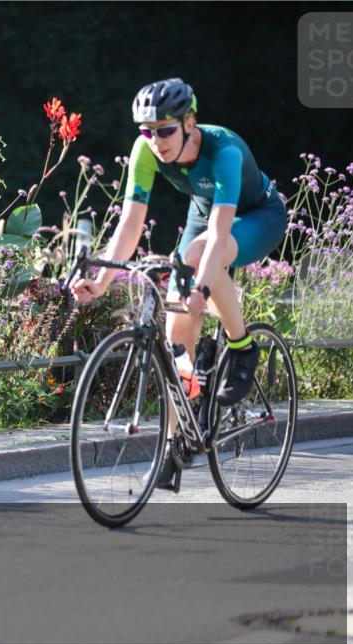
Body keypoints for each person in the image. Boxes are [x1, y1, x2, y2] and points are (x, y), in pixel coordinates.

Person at [70, 77, 288, 490]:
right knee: (175, 337)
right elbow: (131, 223)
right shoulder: (145, 151)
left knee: (196, 262)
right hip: (204, 216)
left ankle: (242, 346)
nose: (156, 140)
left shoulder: (222, 150)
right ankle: (177, 440)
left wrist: (201, 289)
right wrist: (100, 281)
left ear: (190, 122)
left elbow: (220, 236)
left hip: (257, 215)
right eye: (147, 131)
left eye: (166, 130)